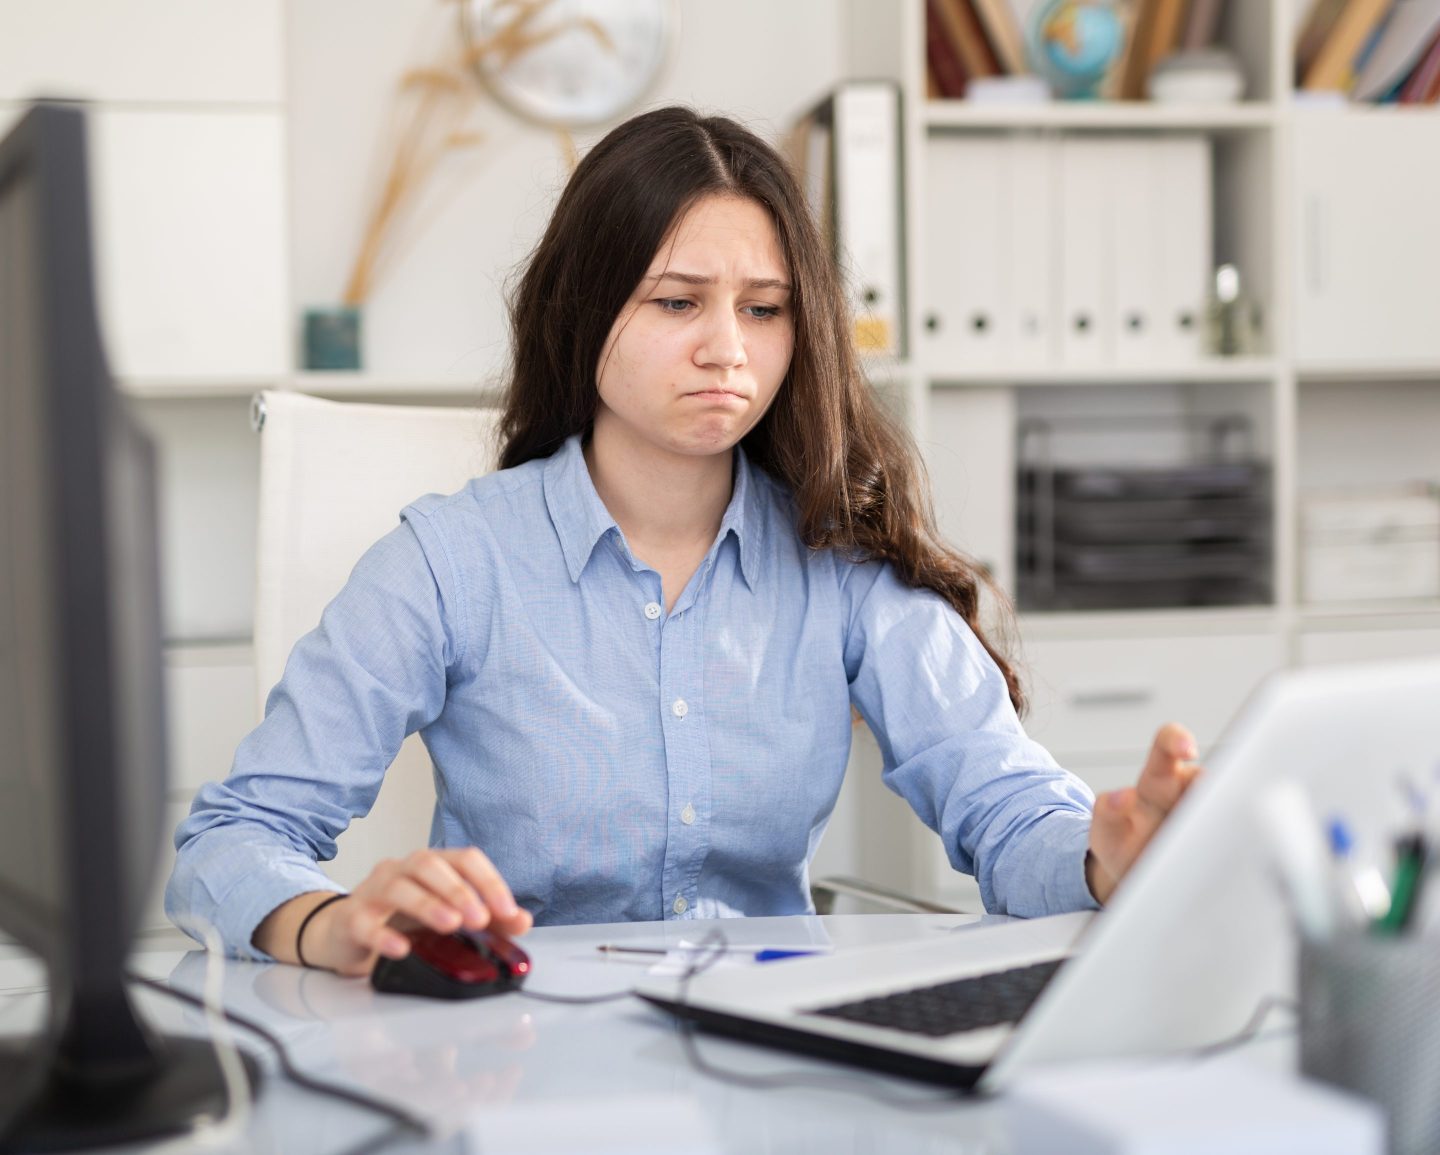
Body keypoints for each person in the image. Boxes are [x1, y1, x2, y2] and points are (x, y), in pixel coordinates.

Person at [167, 106, 1199, 976]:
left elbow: (1007, 809)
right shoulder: (451, 561)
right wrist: (327, 922)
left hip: (772, 1058)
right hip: (515, 1066)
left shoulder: (838, 562)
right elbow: (230, 842)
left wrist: (1101, 858)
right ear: (583, 308)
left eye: (765, 310)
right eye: (676, 302)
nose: (727, 350)